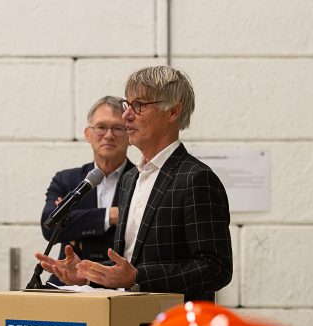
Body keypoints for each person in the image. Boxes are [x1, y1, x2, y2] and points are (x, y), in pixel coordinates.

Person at [36, 66, 232, 302]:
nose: (126, 115)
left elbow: (216, 268)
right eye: (127, 104)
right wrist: (87, 274)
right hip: (128, 317)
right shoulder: (131, 179)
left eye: (138, 105)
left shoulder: (196, 178)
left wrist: (138, 277)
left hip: (173, 320)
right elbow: (130, 262)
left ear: (173, 111)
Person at [40, 96, 134, 266]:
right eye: (101, 127)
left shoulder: (142, 180)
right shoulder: (66, 180)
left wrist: (78, 236)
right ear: (88, 134)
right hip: (67, 278)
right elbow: (49, 227)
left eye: (118, 128)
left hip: (120, 279)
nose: (109, 135)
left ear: (130, 134)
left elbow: (144, 237)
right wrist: (112, 215)